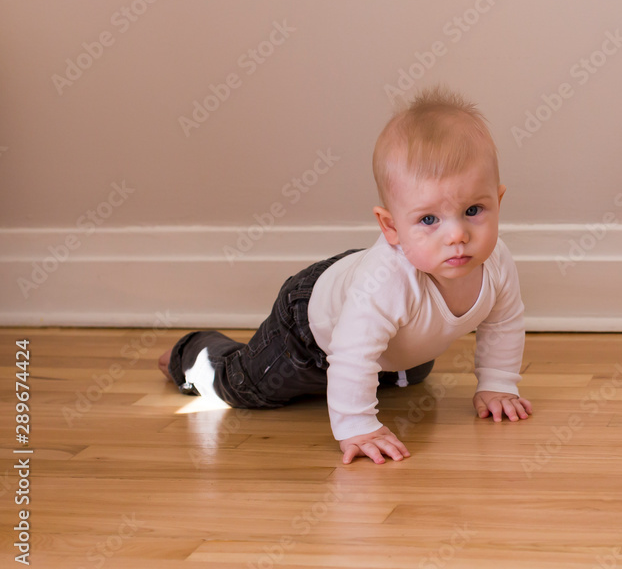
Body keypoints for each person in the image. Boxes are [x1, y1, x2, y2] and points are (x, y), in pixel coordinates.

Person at [159, 86, 532, 465]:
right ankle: (191, 353)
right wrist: (357, 424)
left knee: (410, 371)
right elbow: (352, 354)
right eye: (429, 220)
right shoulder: (387, 283)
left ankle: (373, 377)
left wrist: (498, 384)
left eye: (473, 210)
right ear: (391, 228)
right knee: (244, 388)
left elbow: (503, 322)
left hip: (372, 306)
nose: (457, 236)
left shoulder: (496, 262)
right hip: (306, 328)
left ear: (498, 202)